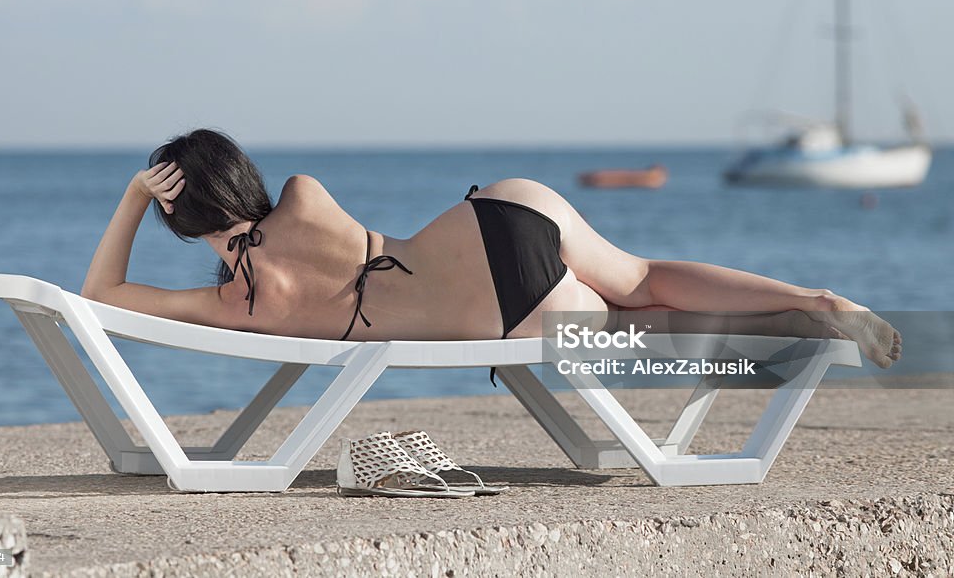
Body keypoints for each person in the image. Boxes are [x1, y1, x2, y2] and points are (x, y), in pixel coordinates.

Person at [81, 129, 901, 369]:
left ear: (179, 222)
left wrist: (129, 198)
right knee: (645, 278)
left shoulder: (238, 305)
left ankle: (806, 327)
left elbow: (103, 293)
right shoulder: (301, 192)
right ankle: (818, 297)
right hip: (498, 215)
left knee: (634, 324)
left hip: (504, 313)